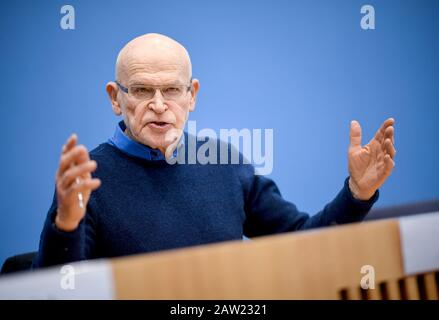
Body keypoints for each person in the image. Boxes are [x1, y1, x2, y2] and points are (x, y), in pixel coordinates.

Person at [34, 33, 396, 268]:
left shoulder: (225, 163)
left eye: (172, 91)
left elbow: (303, 243)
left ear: (192, 95)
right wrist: (65, 223)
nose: (159, 105)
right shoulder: (88, 180)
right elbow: (53, 292)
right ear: (116, 98)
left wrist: (357, 192)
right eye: (143, 90)